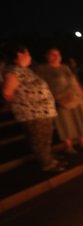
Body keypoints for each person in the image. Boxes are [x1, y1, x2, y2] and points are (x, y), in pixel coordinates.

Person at [2, 44, 65, 172]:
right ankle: (47, 164)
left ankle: (49, 158)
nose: (30, 57)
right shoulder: (13, 71)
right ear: (19, 55)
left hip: (43, 112)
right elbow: (7, 93)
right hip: (32, 114)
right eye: (28, 54)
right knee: (39, 141)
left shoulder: (26, 70)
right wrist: (25, 103)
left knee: (46, 139)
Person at [36, 48, 83, 154]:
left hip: (75, 98)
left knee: (81, 119)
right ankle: (68, 146)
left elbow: (74, 81)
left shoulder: (65, 67)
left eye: (58, 54)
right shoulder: (42, 69)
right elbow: (41, 85)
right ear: (47, 56)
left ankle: (82, 142)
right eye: (52, 54)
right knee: (64, 123)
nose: (56, 56)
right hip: (60, 100)